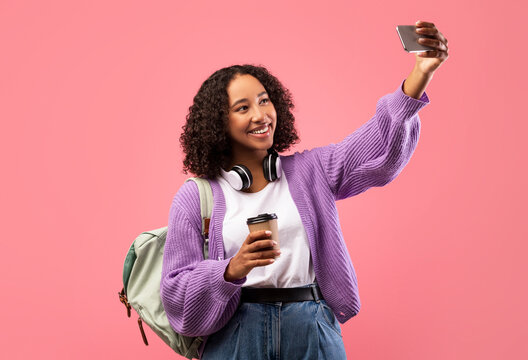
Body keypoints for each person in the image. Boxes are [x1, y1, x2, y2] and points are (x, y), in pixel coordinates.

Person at [161, 21, 448, 360]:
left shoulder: (311, 171)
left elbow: (377, 147)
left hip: (310, 326)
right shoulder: (196, 197)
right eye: (243, 108)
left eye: (264, 101)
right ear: (218, 123)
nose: (261, 115)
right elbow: (176, 293)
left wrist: (420, 74)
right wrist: (232, 268)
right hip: (236, 332)